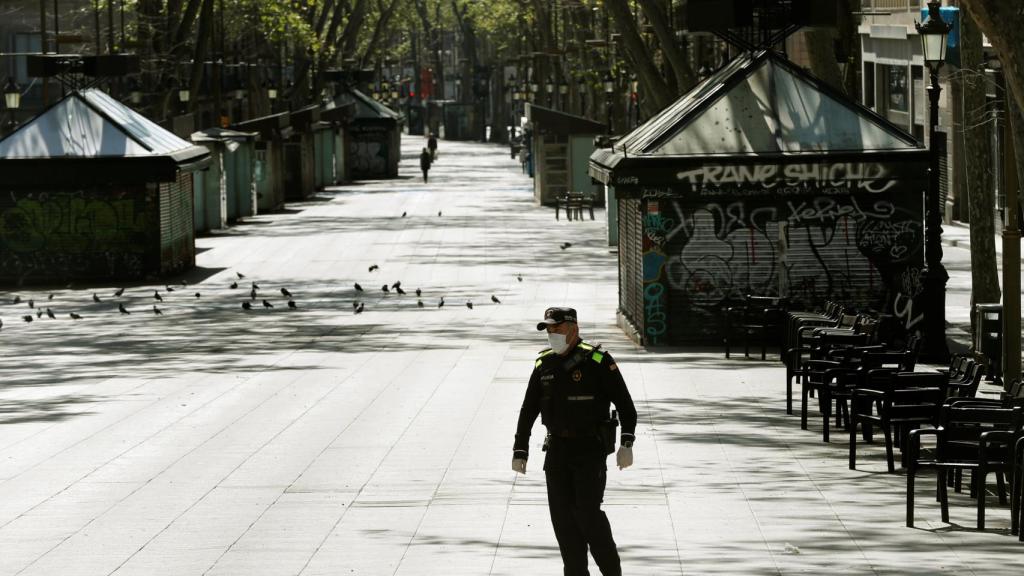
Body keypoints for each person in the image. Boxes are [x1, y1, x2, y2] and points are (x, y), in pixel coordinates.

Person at [512, 307, 637, 576]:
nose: (551, 334)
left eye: (556, 329)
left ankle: (612, 572)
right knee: (564, 524)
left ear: (573, 329)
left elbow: (626, 406)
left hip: (589, 450)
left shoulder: (598, 361)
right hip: (557, 451)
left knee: (589, 517)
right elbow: (528, 410)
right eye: (548, 330)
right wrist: (520, 449)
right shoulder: (544, 364)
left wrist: (627, 442)